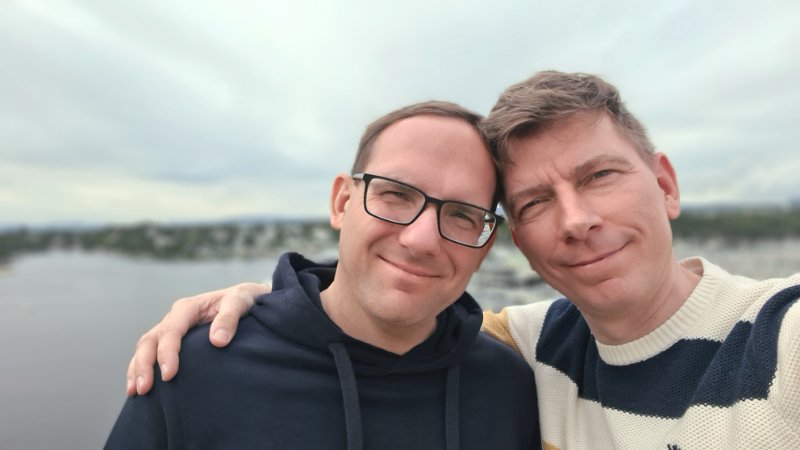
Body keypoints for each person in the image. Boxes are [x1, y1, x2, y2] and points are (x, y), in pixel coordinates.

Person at [128, 71, 800, 449]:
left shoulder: (782, 339)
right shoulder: (533, 347)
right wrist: (269, 310)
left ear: (666, 185)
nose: (576, 221)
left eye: (599, 175)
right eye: (535, 202)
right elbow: (374, 318)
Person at [106, 101, 540, 449]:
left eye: (462, 215)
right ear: (341, 203)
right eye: (395, 194)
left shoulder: (508, 386)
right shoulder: (193, 370)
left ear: (484, 245)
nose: (421, 240)